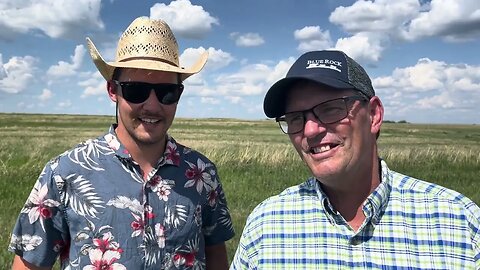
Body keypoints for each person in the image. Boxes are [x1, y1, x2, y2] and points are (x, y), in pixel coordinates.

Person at [9, 17, 235, 270]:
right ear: (112, 91)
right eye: (135, 90)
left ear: (179, 95)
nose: (152, 105)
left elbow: (215, 253)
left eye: (166, 92)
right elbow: (29, 264)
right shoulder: (64, 173)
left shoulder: (202, 173)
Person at [230, 50, 480, 269]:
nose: (309, 131)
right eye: (296, 118)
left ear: (373, 115)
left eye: (330, 109)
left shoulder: (457, 221)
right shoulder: (267, 224)